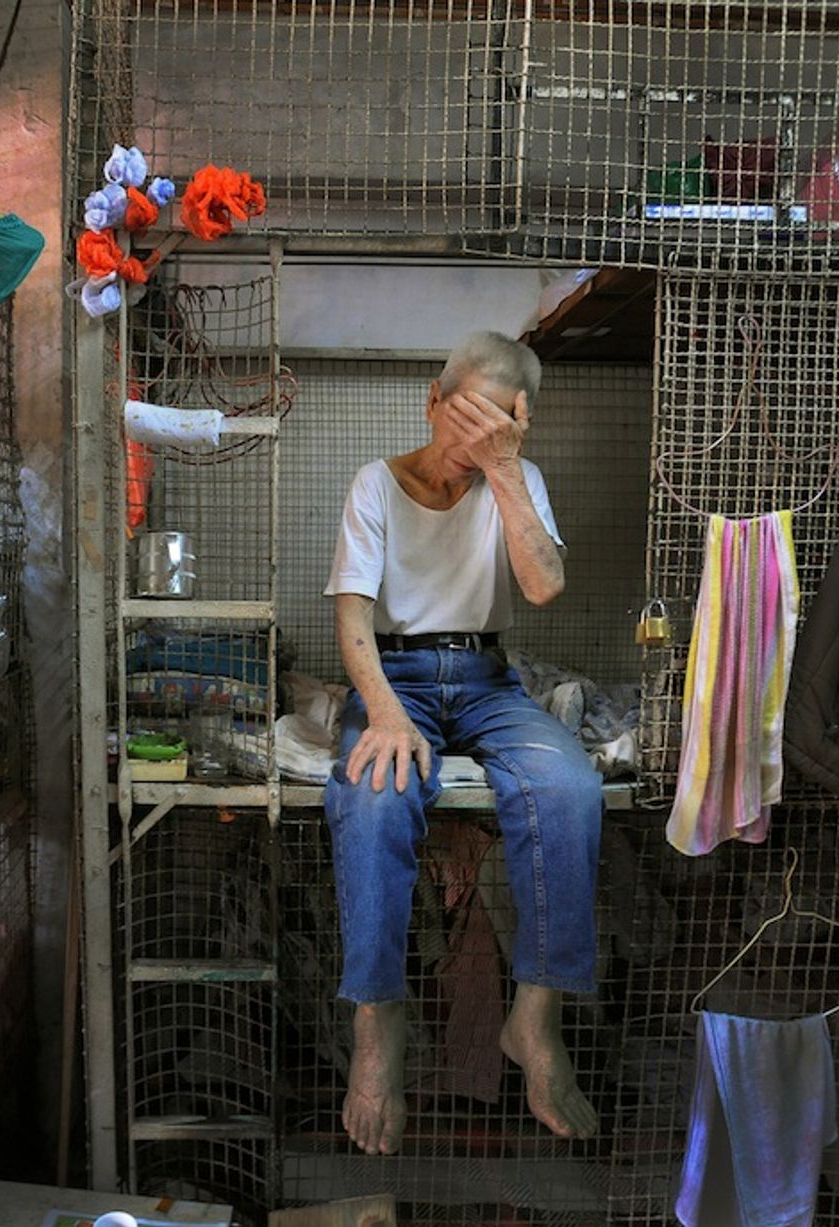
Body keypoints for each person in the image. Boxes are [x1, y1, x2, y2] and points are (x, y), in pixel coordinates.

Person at [322, 329, 603, 1155]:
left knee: (570, 788)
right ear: (431, 400)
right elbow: (350, 617)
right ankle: (377, 1023)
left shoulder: (518, 479)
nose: (466, 450)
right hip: (396, 675)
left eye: (491, 433)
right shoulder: (376, 484)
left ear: (516, 426)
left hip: (485, 678)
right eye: (460, 424)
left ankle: (535, 1018)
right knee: (373, 796)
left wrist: (505, 469)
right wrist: (383, 711)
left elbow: (544, 586)